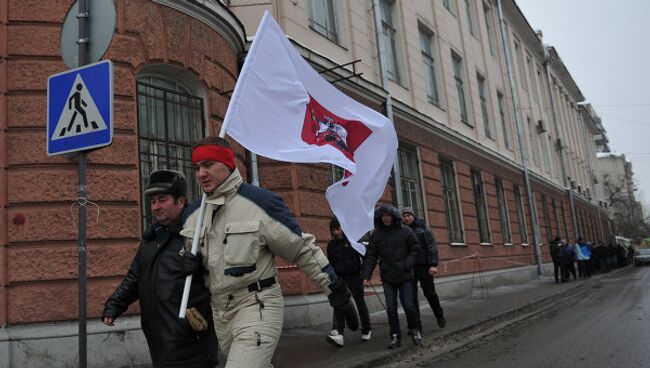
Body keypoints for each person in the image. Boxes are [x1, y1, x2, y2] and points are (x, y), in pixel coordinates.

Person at [182, 137, 357, 368]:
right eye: (197, 168)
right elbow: (196, 269)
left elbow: (302, 249)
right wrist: (190, 268)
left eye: (208, 165)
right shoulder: (193, 215)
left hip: (257, 305)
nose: (201, 174)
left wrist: (336, 290)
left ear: (227, 164)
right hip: (220, 314)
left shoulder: (260, 203)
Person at [102, 170, 219, 368]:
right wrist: (115, 305)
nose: (156, 207)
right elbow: (135, 277)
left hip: (190, 336)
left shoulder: (197, 234)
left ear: (180, 201)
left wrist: (201, 264)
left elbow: (222, 275)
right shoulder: (151, 238)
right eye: (153, 201)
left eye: (162, 200)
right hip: (158, 336)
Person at [362, 204, 421, 349]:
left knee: (408, 305)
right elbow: (371, 256)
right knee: (391, 307)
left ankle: (414, 330)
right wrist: (366, 275)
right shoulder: (376, 235)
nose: (385, 218)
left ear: (393, 216)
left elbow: (415, 250)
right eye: (382, 216)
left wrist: (407, 264)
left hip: (405, 275)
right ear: (379, 218)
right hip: (388, 276)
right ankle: (395, 335)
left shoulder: (405, 231)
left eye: (388, 215)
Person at [325, 217, 372, 347]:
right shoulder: (331, 245)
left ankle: (366, 329)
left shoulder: (352, 241)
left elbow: (365, 255)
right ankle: (338, 332)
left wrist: (365, 275)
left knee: (360, 303)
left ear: (343, 228)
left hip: (355, 277)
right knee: (339, 305)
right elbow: (331, 264)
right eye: (333, 230)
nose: (336, 232)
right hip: (340, 279)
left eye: (338, 229)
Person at [401, 207, 446, 331]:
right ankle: (416, 326)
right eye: (404, 216)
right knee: (411, 298)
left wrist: (433, 264)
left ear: (413, 216)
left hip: (424, 267)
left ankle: (439, 315)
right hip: (409, 268)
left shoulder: (423, 229)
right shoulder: (402, 231)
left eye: (408, 215)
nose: (406, 218)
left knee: (430, 293)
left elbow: (432, 246)